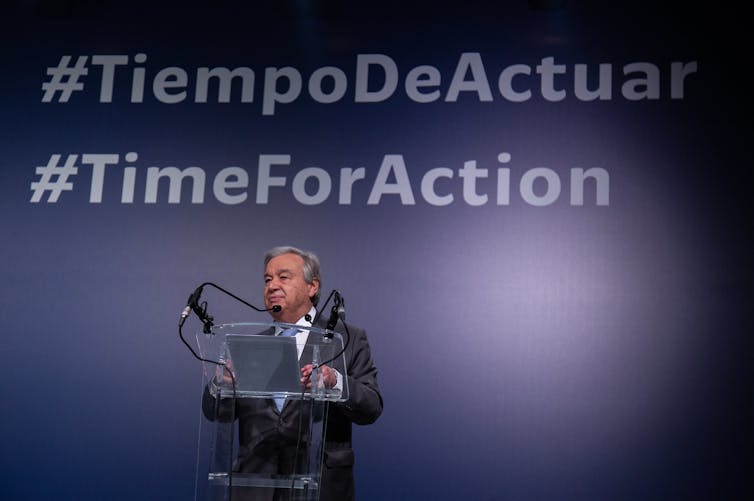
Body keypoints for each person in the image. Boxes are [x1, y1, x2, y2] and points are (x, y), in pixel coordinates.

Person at [203, 246, 383, 501]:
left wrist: (335, 383)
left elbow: (372, 406)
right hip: (254, 487)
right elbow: (215, 413)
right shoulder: (248, 348)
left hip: (319, 486)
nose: (272, 285)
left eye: (283, 277)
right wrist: (219, 386)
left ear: (313, 287)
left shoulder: (348, 339)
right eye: (267, 279)